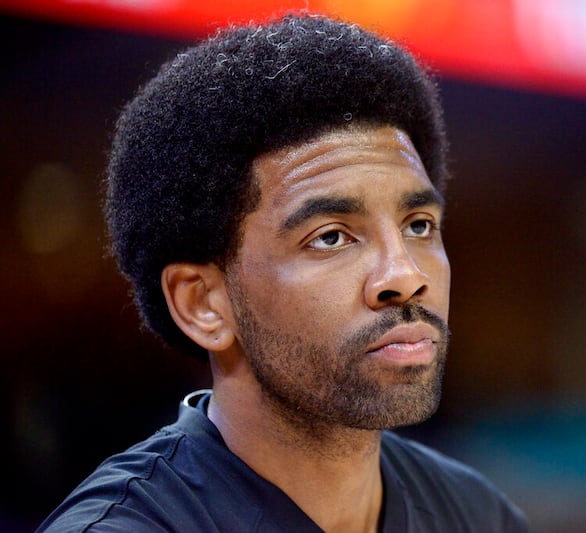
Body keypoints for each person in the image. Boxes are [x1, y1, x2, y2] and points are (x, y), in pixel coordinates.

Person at [37, 12, 530, 533]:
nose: (405, 275)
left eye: (419, 224)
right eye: (331, 236)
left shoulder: (479, 514)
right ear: (202, 303)